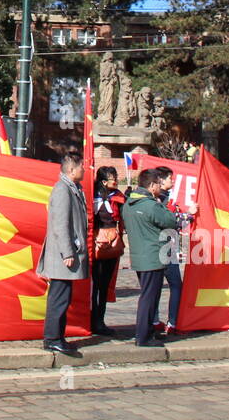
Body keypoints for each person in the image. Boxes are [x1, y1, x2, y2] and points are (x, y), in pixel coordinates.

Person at [36, 151, 89, 356]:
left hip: (67, 255)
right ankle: (52, 338)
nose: (84, 169)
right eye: (81, 166)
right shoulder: (62, 191)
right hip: (62, 256)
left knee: (63, 298)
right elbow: (60, 225)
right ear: (71, 169)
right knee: (59, 298)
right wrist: (67, 252)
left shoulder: (72, 189)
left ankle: (57, 337)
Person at [121, 167, 179, 347]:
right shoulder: (151, 205)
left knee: (148, 296)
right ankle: (143, 336)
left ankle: (146, 333)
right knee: (149, 297)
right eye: (158, 184)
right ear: (152, 185)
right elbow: (171, 221)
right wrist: (160, 204)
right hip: (153, 256)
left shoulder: (129, 204)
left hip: (139, 256)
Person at [91, 166, 125, 336]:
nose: (116, 180)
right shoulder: (92, 196)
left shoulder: (118, 197)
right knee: (95, 285)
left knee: (104, 285)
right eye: (113, 177)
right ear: (104, 181)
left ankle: (100, 320)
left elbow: (122, 219)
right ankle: (93, 320)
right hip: (96, 242)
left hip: (113, 243)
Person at [153, 165, 187, 335]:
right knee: (174, 285)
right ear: (160, 180)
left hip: (165, 247)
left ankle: (156, 320)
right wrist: (189, 215)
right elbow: (171, 221)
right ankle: (171, 321)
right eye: (169, 178)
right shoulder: (160, 201)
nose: (172, 181)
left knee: (157, 286)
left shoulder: (161, 198)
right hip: (165, 248)